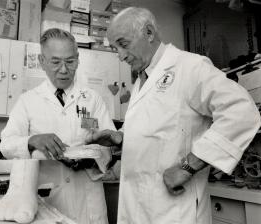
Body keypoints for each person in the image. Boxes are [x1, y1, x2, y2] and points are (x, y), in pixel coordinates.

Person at [86, 7, 261, 224]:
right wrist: (121, 137)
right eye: (115, 49)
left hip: (174, 211)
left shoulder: (189, 67)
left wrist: (189, 166)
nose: (120, 56)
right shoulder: (143, 78)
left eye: (123, 44)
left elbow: (241, 111)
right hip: (138, 207)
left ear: (149, 33)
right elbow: (159, 130)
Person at [0, 28, 116, 224]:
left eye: (70, 61)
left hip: (88, 201)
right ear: (42, 61)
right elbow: (6, 145)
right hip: (48, 200)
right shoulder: (28, 101)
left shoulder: (93, 99)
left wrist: (94, 158)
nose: (63, 69)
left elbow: (109, 145)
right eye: (55, 62)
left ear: (78, 60)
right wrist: (32, 141)